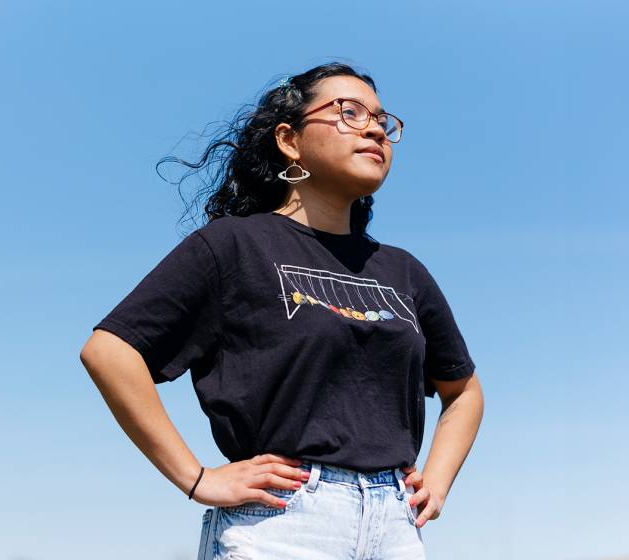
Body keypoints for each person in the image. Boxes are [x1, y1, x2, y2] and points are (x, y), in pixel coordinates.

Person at [79, 60, 484, 560]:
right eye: (349, 112)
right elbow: (109, 350)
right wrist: (196, 477)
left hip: (395, 528)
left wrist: (436, 484)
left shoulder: (403, 271)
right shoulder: (232, 246)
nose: (375, 128)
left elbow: (462, 390)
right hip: (282, 524)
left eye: (382, 121)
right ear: (289, 141)